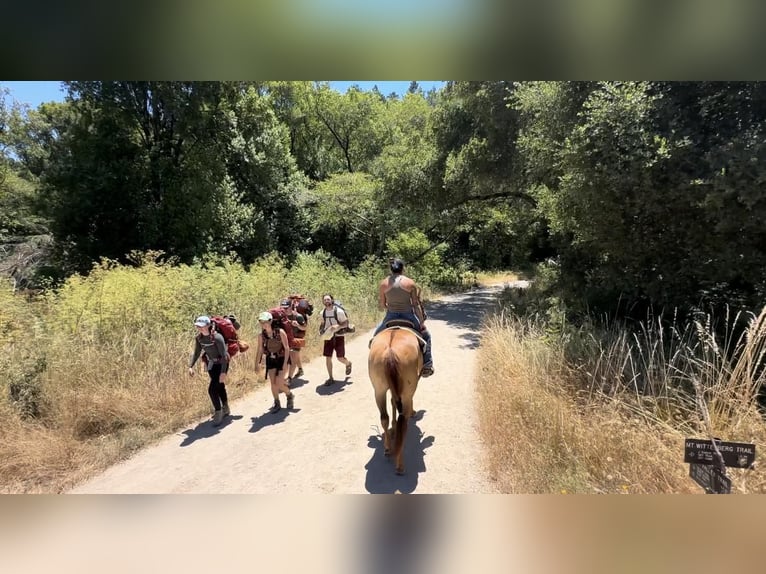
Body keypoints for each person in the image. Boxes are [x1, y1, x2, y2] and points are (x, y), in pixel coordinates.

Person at [372, 259, 434, 377]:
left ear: (391, 269)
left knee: (375, 337)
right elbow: (415, 305)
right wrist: (421, 322)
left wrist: (390, 306)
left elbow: (382, 305)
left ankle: (375, 363)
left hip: (390, 316)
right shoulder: (410, 283)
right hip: (409, 316)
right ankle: (427, 364)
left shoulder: (383, 284)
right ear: (402, 269)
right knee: (426, 336)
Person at [188, 315, 230, 426]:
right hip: (211, 364)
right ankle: (226, 408)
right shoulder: (199, 339)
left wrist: (223, 372)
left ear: (208, 325)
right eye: (198, 326)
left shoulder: (217, 337)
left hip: (221, 363)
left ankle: (218, 412)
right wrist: (190, 366)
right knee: (219, 387)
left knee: (211, 390)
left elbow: (224, 356)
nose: (200, 328)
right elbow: (197, 353)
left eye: (202, 326)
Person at [254, 311, 295, 413]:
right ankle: (277, 402)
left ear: (271, 321)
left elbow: (286, 348)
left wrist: (285, 363)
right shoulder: (261, 336)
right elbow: (259, 350)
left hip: (282, 358)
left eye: (266, 321)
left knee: (280, 383)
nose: (264, 324)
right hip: (271, 359)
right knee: (273, 383)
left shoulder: (280, 332)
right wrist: (256, 364)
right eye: (262, 322)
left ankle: (289, 395)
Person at [319, 293, 352, 385]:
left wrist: (338, 326)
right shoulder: (322, 313)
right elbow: (322, 324)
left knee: (340, 358)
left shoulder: (339, 311)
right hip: (328, 337)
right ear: (323, 301)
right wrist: (321, 332)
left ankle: (348, 363)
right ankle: (330, 378)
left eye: (328, 299)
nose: (326, 301)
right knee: (328, 357)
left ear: (332, 300)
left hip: (339, 337)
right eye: (325, 300)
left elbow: (346, 323)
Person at [281, 298, 307, 381]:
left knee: (292, 359)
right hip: (286, 340)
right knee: (294, 357)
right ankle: (300, 370)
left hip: (296, 339)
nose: (284, 309)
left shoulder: (298, 316)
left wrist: (298, 326)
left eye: (286, 308)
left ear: (290, 307)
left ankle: (289, 378)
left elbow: (304, 327)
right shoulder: (281, 316)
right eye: (283, 308)